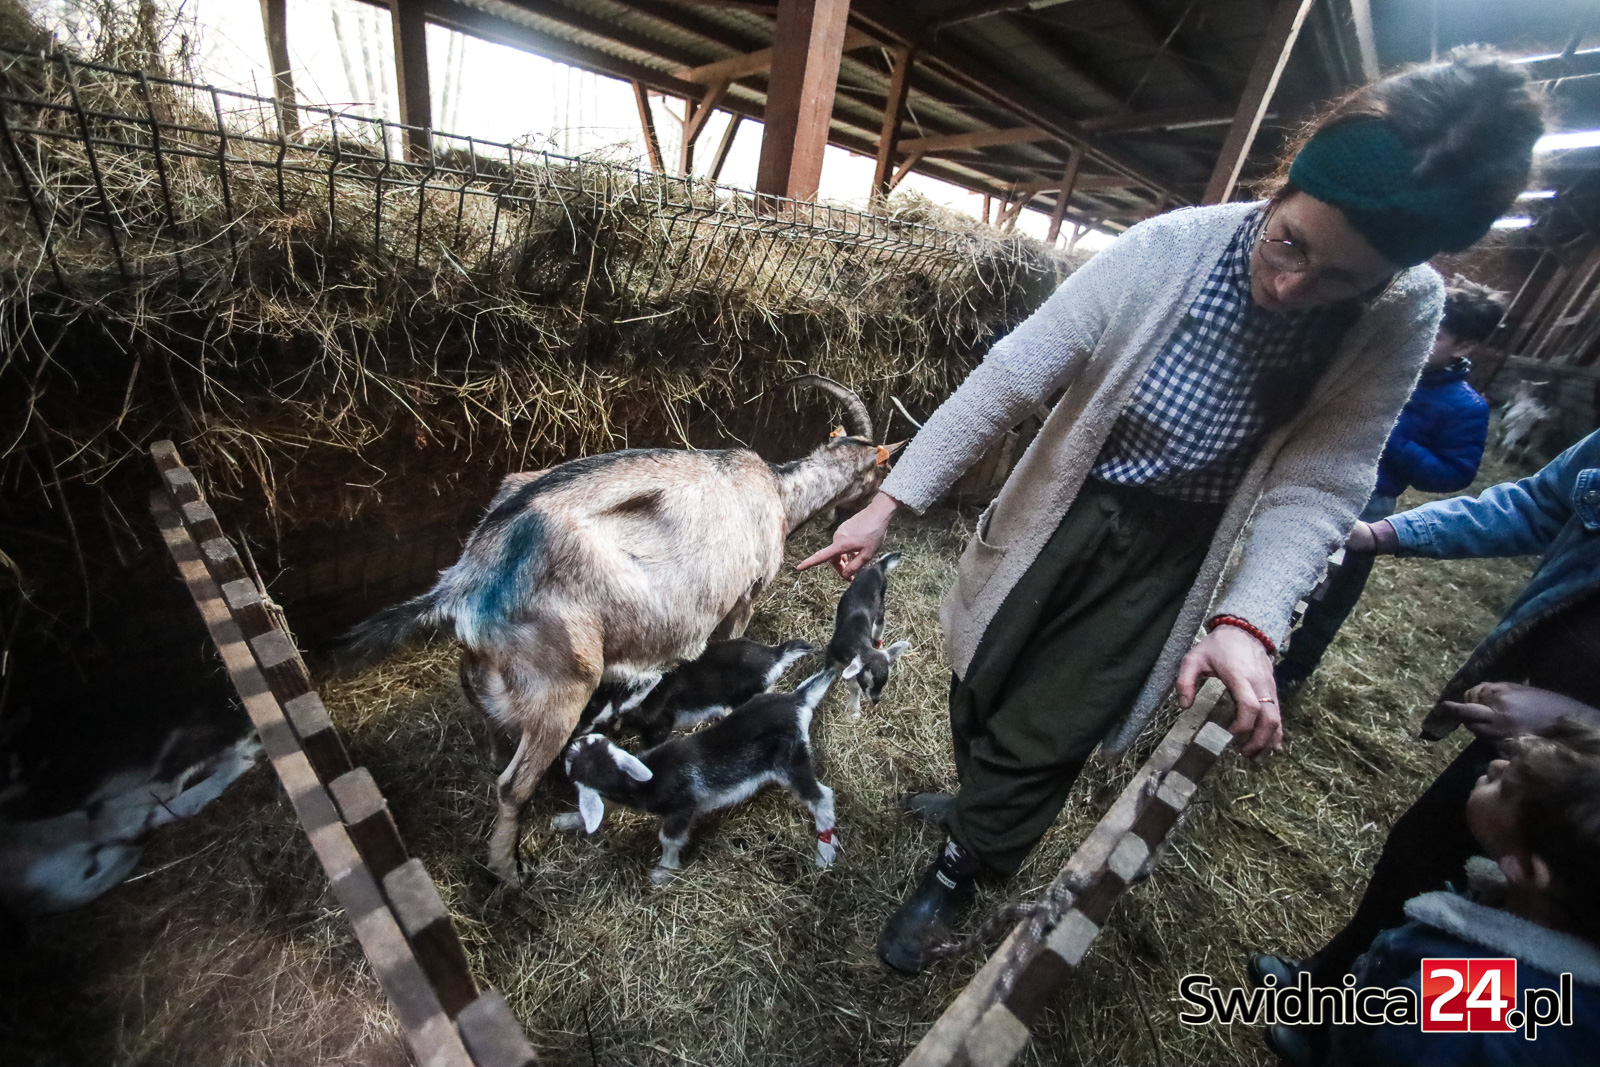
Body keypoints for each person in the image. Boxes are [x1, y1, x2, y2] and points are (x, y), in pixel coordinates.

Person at [795, 47, 1545, 975]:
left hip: (1169, 551)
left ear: (1390, 275)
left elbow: (1321, 479)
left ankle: (965, 863)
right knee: (982, 676)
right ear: (1284, 186)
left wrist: (1249, 619)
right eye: (1291, 243)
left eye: (1339, 281)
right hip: (1059, 507)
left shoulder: (1401, 311)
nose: (1293, 287)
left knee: (1053, 725)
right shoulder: (1171, 248)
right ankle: (980, 799)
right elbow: (1014, 375)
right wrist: (889, 500)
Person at [1252, 426, 1600, 1032]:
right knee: (1426, 852)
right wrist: (1384, 533)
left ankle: (1396, 1039)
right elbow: (1539, 502)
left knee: (1528, 936)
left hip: (1579, 777)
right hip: (1529, 730)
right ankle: (1339, 997)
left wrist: (1578, 721)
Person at [1279, 723, 1600, 1066]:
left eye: (1507, 788)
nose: (1496, 765)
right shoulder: (1521, 906)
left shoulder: (1479, 997)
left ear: (1525, 869)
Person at [1274, 280, 1501, 695]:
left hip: (1370, 503)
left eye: (1436, 333)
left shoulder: (1465, 407)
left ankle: (1293, 669)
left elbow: (1454, 472)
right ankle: (1254, 634)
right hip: (1314, 474)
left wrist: (1394, 439)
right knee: (1280, 559)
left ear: (1465, 346)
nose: (1421, 336)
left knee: (1333, 591)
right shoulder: (1386, 364)